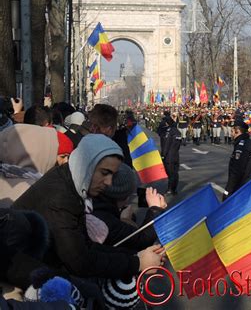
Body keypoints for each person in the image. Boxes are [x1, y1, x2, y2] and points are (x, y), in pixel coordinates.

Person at [13, 134, 165, 280]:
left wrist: (135, 258)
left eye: (112, 174)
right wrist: (138, 263)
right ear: (86, 165)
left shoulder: (69, 183)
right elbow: (80, 262)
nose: (109, 182)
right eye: (104, 173)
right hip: (21, 272)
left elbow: (85, 247)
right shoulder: (60, 198)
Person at [92, 164, 167, 250]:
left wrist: (125, 220)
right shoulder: (107, 222)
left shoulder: (94, 204)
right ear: (123, 196)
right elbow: (142, 241)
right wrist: (156, 210)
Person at [222, 119, 251, 200]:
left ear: (238, 131)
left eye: (232, 131)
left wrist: (228, 191)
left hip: (241, 187)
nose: (231, 134)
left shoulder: (241, 146)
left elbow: (237, 171)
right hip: (250, 185)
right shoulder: (250, 143)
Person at [162, 116, 181, 195]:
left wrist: (163, 155)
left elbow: (167, 145)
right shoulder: (178, 132)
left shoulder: (169, 132)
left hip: (169, 157)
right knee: (175, 173)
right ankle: (174, 189)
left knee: (170, 173)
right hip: (175, 155)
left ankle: (170, 189)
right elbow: (178, 145)